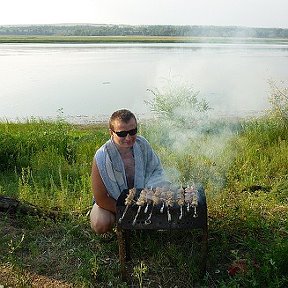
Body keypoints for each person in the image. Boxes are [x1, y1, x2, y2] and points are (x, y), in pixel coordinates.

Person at [90, 109, 167, 234]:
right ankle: (120, 220)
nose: (128, 138)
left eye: (132, 131)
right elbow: (101, 198)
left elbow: (156, 171)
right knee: (101, 223)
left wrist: (151, 195)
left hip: (142, 197)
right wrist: (128, 211)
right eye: (122, 134)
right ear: (111, 132)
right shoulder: (102, 157)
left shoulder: (142, 145)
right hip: (112, 202)